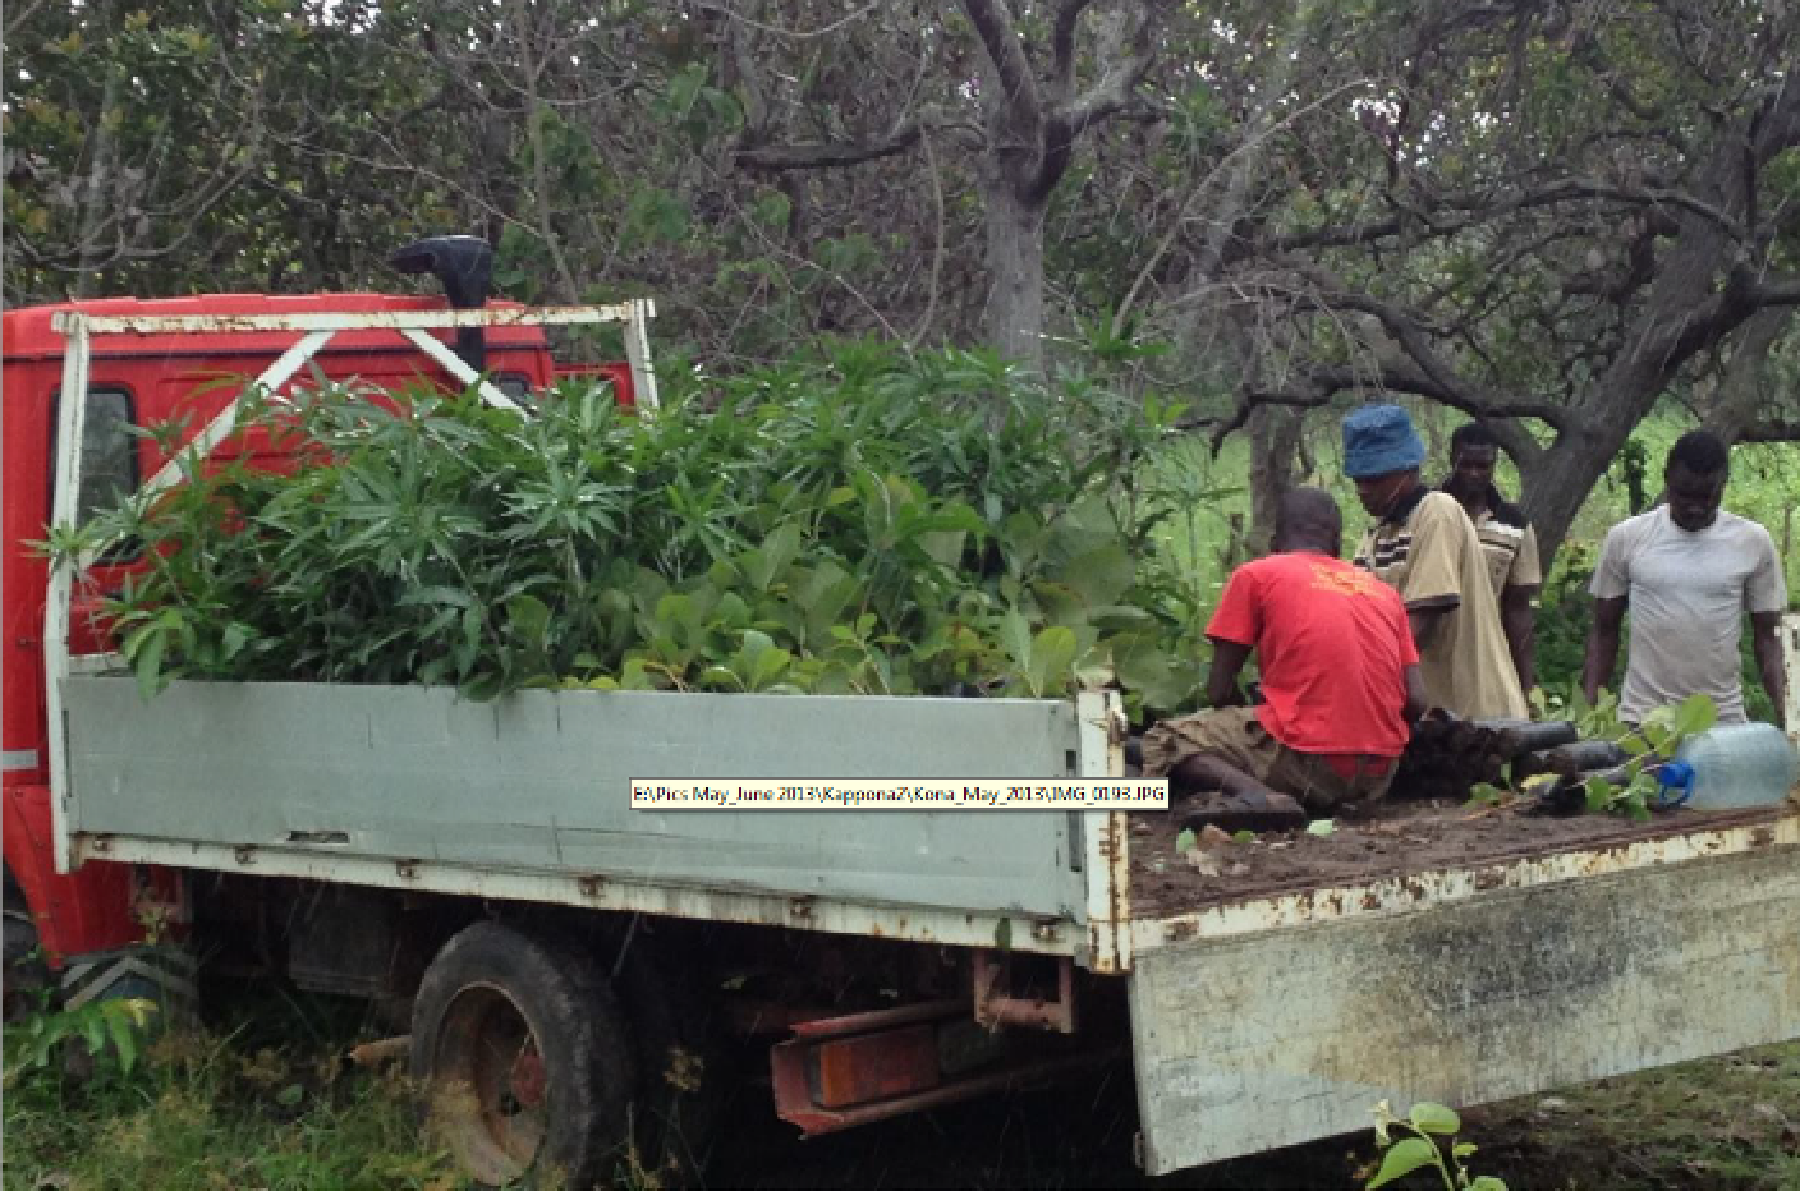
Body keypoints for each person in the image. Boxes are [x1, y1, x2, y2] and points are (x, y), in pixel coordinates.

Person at [1142, 488, 1428, 825]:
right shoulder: (1382, 592)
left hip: (1306, 763)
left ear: (1276, 539)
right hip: (1377, 776)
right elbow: (1416, 702)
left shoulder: (1257, 574)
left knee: (1166, 740)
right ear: (1337, 541)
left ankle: (1259, 797)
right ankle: (1121, 795)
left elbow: (1218, 691)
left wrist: (1248, 719)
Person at [1582, 430, 1788, 727]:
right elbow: (1604, 630)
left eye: (1707, 497)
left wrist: (1787, 717)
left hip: (1723, 722)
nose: (1695, 506)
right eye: (1684, 495)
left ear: (1724, 484)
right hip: (1644, 721)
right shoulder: (1627, 538)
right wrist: (1588, 715)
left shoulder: (1752, 542)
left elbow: (1768, 638)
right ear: (1667, 480)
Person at [1342, 404, 1529, 720]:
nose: (1363, 491)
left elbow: (1421, 620)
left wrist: (1356, 675)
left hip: (1475, 715)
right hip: (1428, 717)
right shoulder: (1375, 536)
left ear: (1406, 469)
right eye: (1358, 480)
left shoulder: (1436, 513)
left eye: (1374, 479)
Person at [1442, 422, 1541, 694]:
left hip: (1489, 661)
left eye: (1483, 466)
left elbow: (1517, 607)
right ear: (1453, 460)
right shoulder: (1426, 515)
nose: (1474, 474)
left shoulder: (1514, 525)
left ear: (1494, 465)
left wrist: (1526, 686)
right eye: (1466, 465)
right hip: (1434, 658)